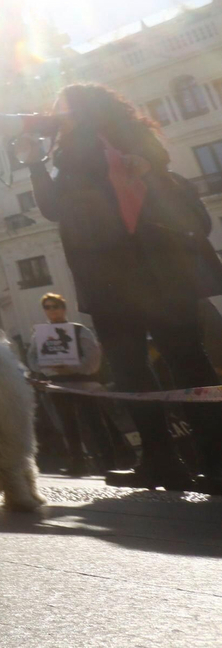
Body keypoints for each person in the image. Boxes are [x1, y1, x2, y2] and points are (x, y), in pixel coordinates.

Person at [18, 82, 222, 491]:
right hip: (145, 271)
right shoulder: (98, 145)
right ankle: (196, 460)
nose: (54, 113)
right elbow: (61, 207)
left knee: (151, 363)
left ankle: (177, 459)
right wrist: (38, 161)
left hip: (124, 272)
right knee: (171, 361)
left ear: (81, 108)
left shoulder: (91, 147)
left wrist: (38, 163)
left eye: (60, 107)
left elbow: (57, 207)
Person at [25, 292, 118, 477]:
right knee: (68, 425)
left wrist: (73, 368)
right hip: (57, 385)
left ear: (63, 308)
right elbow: (33, 358)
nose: (52, 311)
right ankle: (78, 463)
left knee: (94, 422)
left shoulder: (80, 330)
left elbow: (93, 358)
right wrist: (48, 368)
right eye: (47, 307)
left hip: (83, 384)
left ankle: (110, 462)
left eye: (55, 306)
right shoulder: (40, 334)